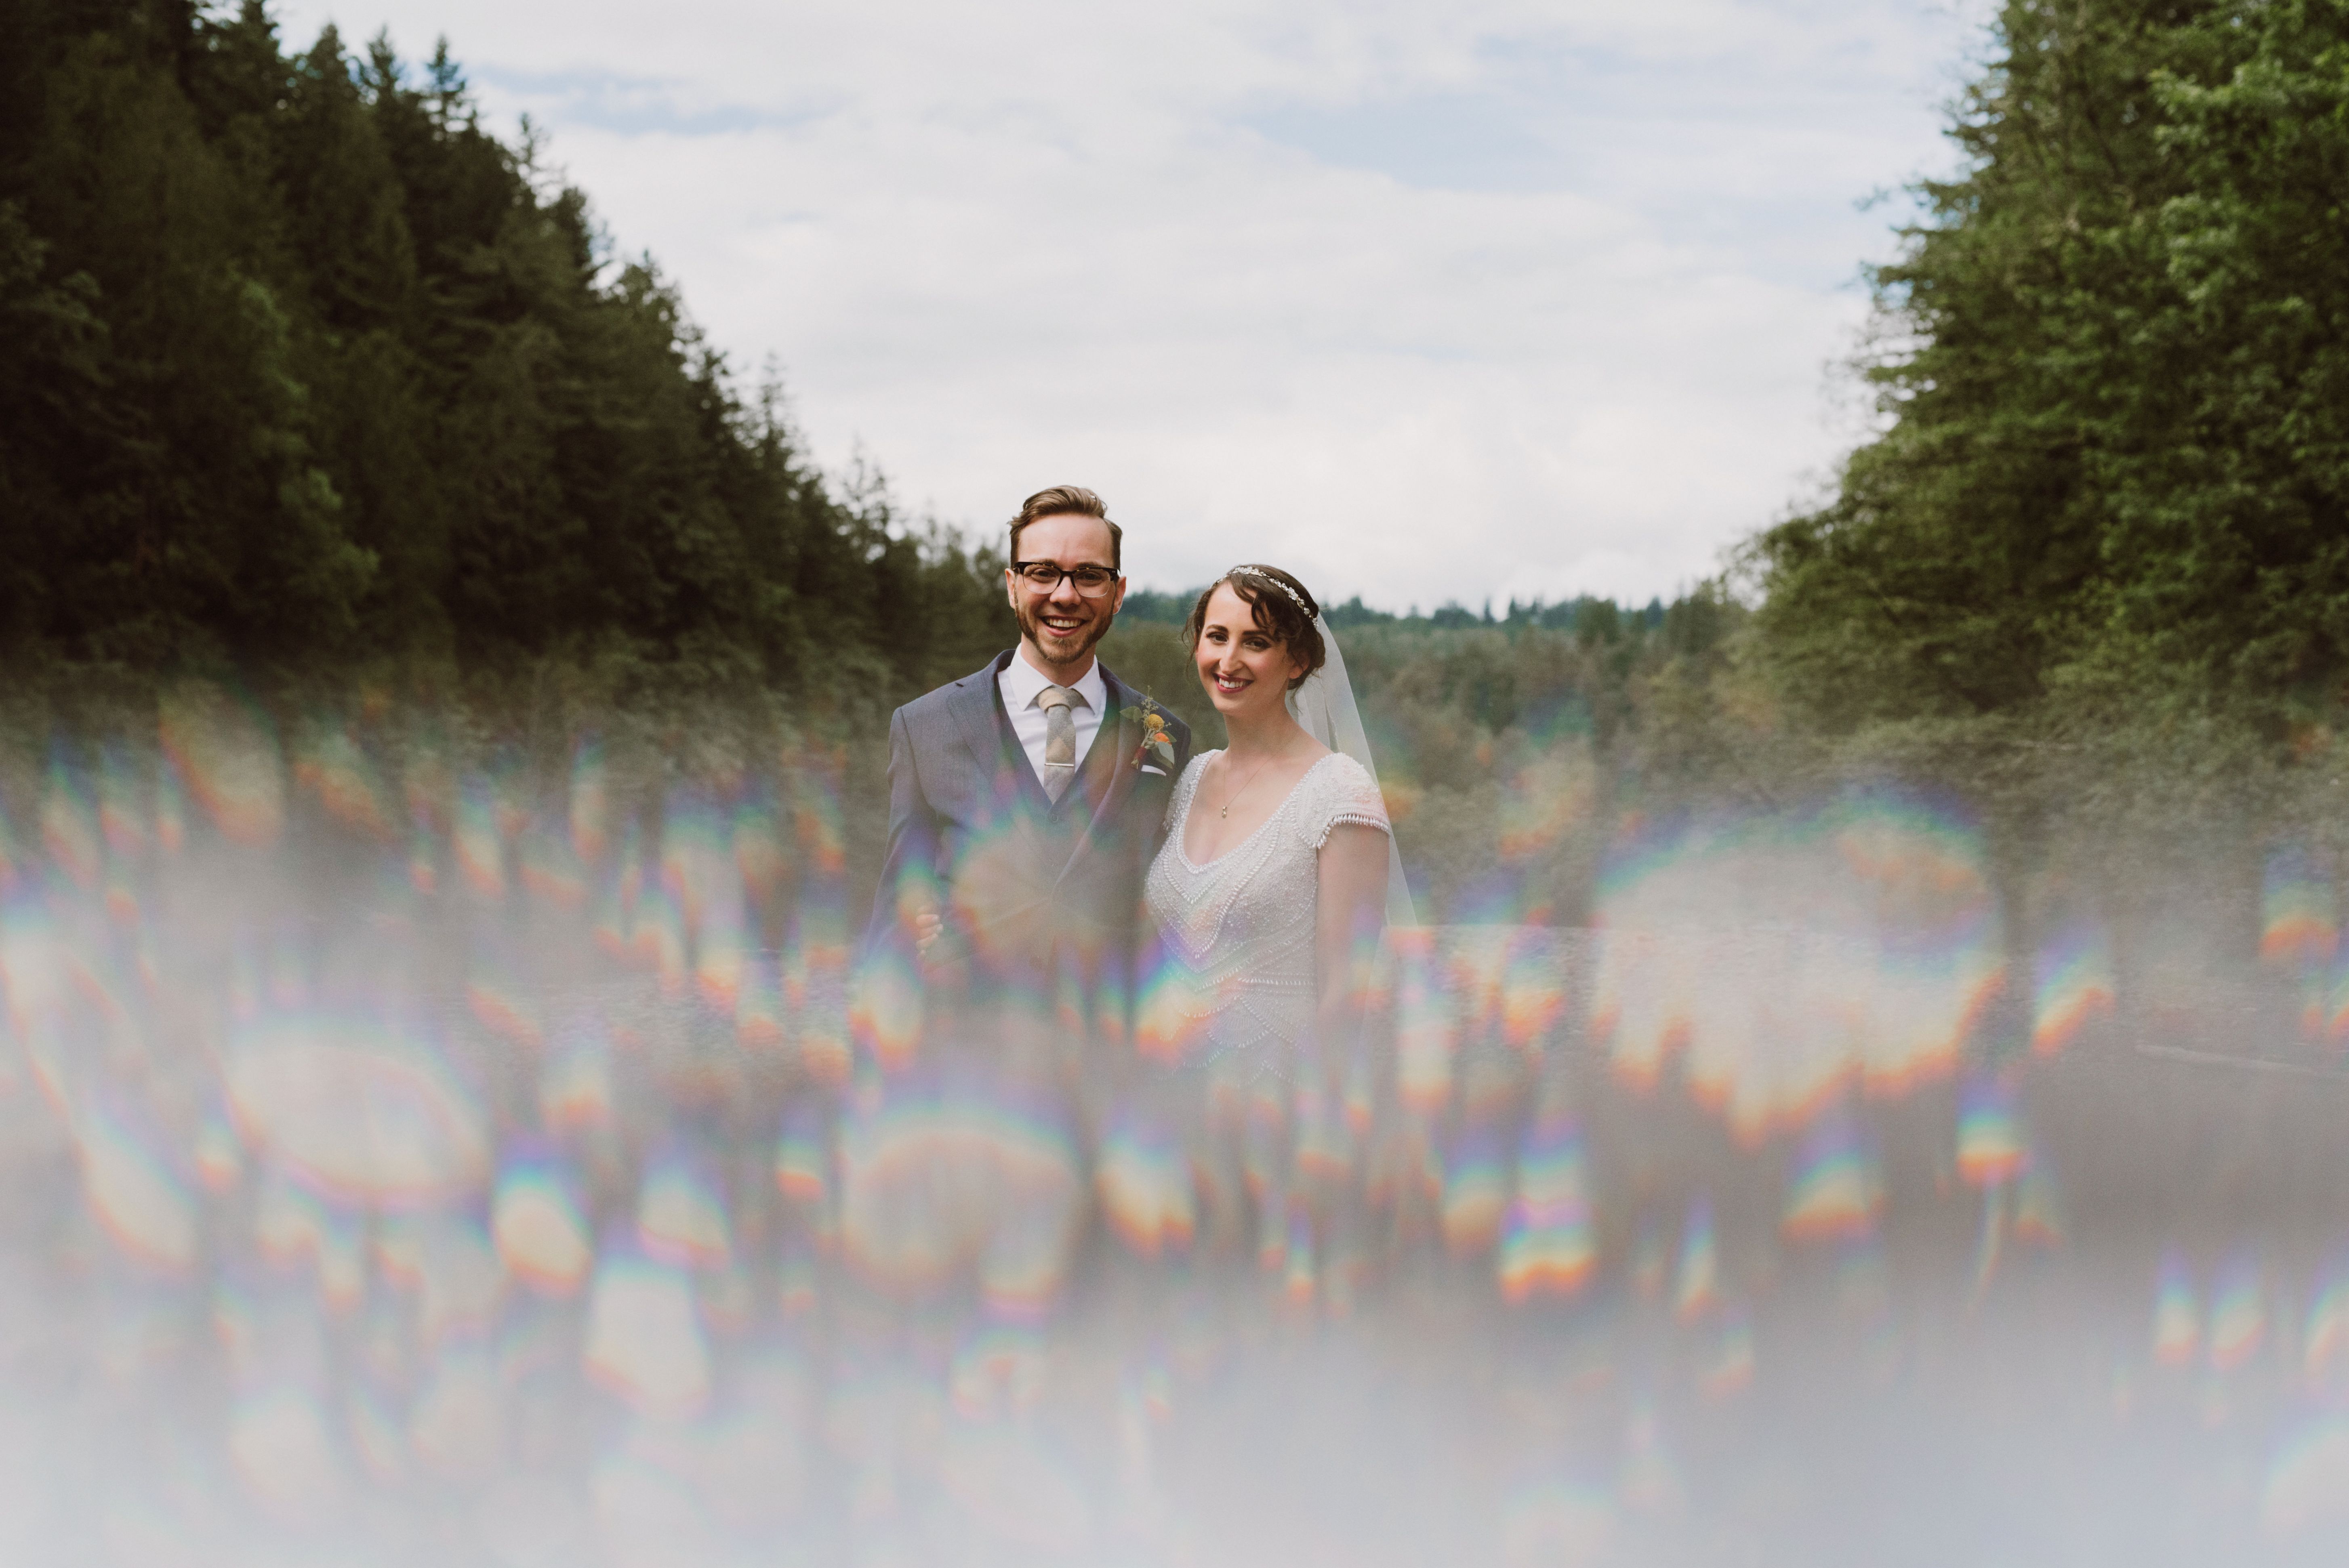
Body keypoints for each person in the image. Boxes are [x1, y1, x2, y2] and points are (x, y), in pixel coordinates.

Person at [841, 485, 1194, 1416]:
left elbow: (1165, 904)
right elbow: (898, 898)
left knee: (1092, 1321)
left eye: (1086, 574)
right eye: (1044, 572)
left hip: (1104, 1086)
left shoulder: (1163, 737)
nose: (1063, 593)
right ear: (1010, 585)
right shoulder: (926, 726)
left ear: (1117, 592)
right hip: (964, 1080)